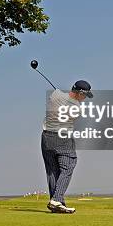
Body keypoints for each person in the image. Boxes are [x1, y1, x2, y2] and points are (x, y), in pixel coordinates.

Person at [41, 80, 93, 214]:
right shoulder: (77, 108)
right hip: (62, 137)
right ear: (80, 93)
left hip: (46, 137)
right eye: (85, 96)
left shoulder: (55, 95)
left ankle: (57, 203)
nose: (85, 99)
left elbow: (57, 94)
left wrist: (60, 93)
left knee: (52, 171)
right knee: (69, 164)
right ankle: (57, 199)